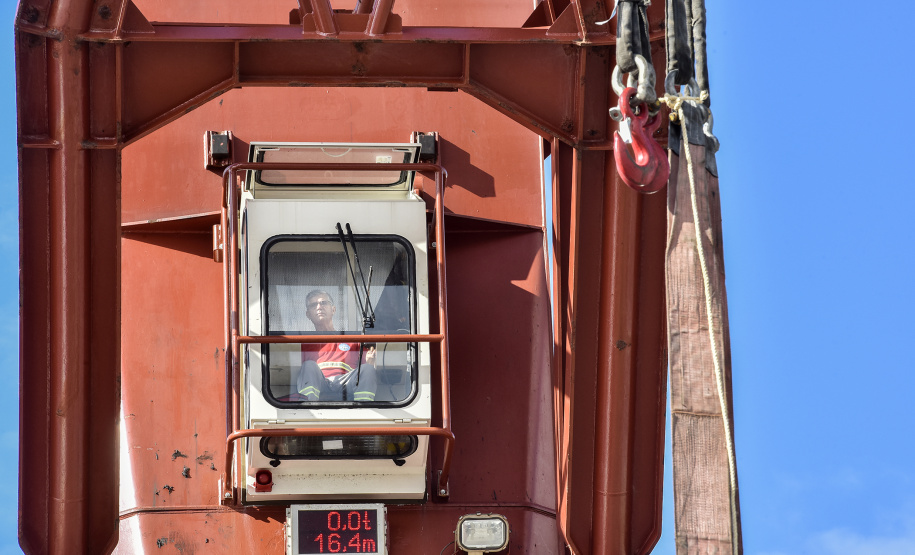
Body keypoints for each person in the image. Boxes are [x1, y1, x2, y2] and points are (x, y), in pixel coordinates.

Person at [295, 290, 377, 402]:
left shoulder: (352, 339)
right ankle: (308, 407)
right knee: (309, 365)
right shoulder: (303, 342)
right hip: (320, 382)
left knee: (367, 369)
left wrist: (370, 363)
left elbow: (366, 368)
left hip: (347, 382)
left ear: (333, 309)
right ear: (308, 314)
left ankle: (364, 409)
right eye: (314, 305)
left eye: (323, 303)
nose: (319, 307)